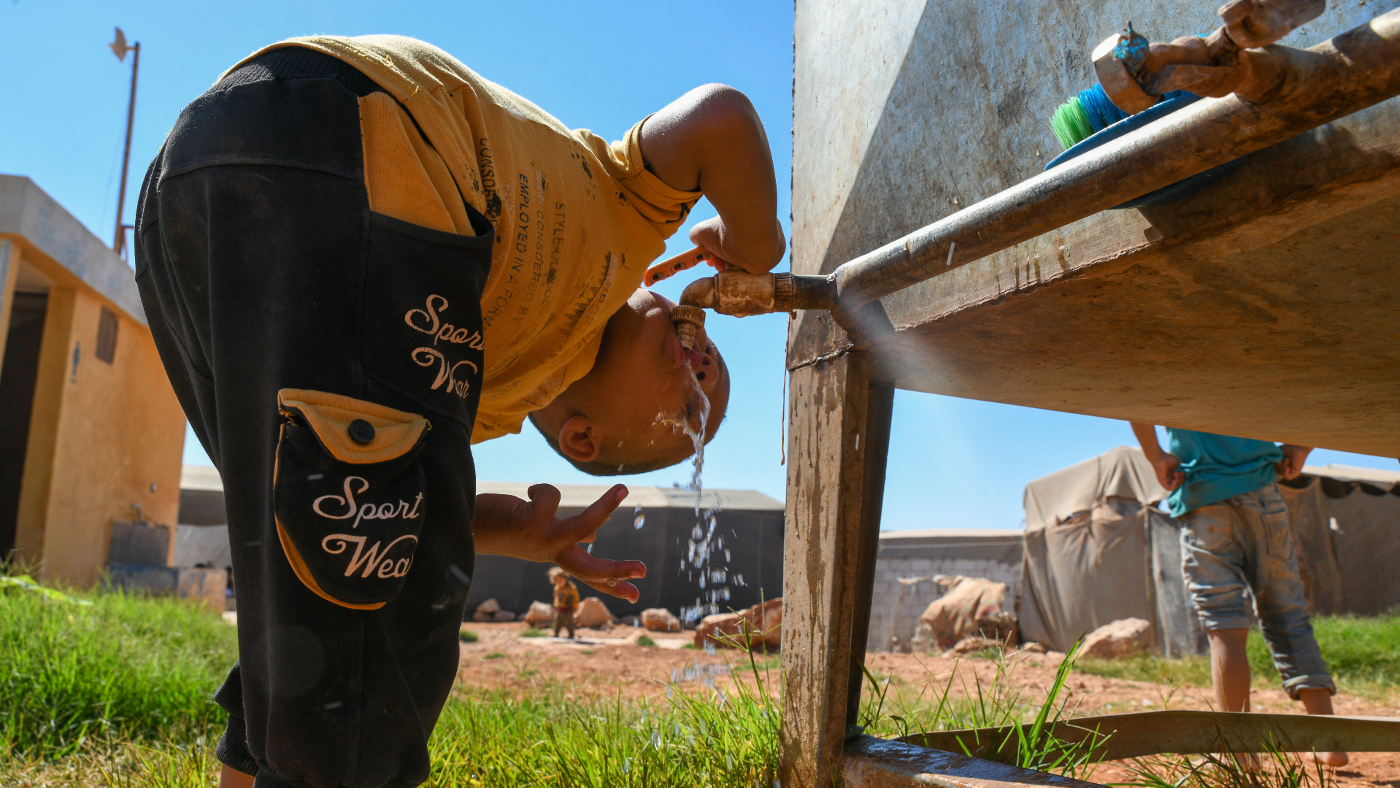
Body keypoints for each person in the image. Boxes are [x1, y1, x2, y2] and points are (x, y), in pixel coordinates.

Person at [135, 35, 783, 788]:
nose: (703, 366)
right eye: (713, 367)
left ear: (582, 436)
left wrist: (517, 532)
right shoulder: (631, 210)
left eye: (691, 406)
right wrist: (755, 248)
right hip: (353, 148)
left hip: (194, 184)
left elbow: (402, 506)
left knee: (309, 556)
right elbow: (722, 120)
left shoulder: (467, 385)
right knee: (380, 623)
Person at [1129, 424, 1347, 767]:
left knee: (1224, 625)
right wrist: (1301, 444)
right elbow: (1327, 389)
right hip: (1262, 490)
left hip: (1202, 493)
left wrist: (1155, 456)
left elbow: (1136, 399)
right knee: (1288, 613)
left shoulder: (1173, 369)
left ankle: (1241, 751)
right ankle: (1329, 741)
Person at [549, 567, 581, 639]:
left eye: (561, 580)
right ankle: (556, 633)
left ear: (566, 579)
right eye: (557, 581)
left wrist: (575, 606)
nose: (559, 582)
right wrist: (556, 605)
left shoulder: (570, 587)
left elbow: (576, 597)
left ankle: (571, 634)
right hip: (560, 607)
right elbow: (556, 597)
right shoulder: (556, 588)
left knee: (569, 622)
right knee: (558, 621)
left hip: (568, 607)